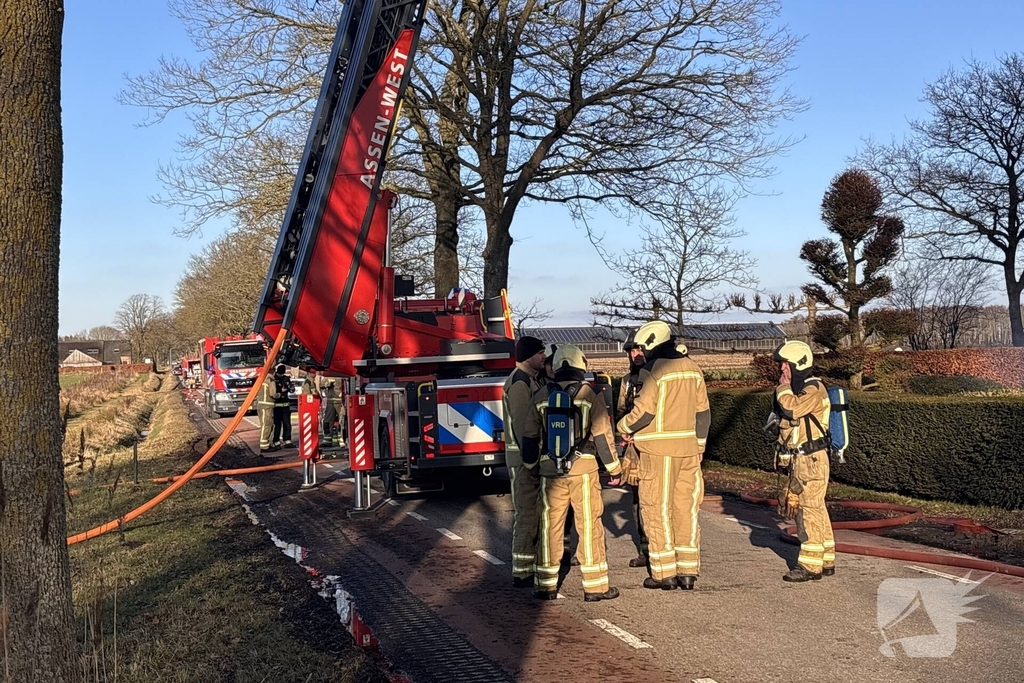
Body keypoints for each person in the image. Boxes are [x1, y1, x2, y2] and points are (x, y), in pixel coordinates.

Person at [521, 344, 624, 602]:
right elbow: (602, 435)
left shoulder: (542, 394)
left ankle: (545, 585)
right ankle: (596, 587)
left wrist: (533, 467)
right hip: (584, 471)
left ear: (555, 367)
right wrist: (614, 468)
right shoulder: (589, 394)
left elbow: (530, 436)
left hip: (550, 473)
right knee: (589, 525)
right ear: (581, 366)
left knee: (550, 526)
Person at [617, 321, 709, 591]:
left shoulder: (653, 371)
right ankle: (688, 571)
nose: (640, 354)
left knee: (656, 510)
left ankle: (663, 573)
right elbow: (703, 413)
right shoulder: (693, 369)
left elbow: (644, 413)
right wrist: (700, 445)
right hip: (690, 451)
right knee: (686, 510)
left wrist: (622, 428)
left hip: (657, 452)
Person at [773, 340, 836, 582]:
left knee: (808, 509)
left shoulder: (813, 389)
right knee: (816, 508)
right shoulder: (803, 389)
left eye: (785, 365)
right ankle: (826, 558)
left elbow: (792, 410)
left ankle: (810, 566)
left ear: (798, 364)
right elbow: (791, 429)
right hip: (804, 458)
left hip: (811, 459)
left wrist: (782, 389)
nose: (782, 371)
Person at [502, 335, 547, 587]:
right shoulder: (519, 383)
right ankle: (522, 571)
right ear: (528, 356)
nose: (543, 356)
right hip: (523, 460)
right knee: (527, 512)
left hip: (525, 458)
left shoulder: (528, 379)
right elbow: (523, 426)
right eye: (540, 353)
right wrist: (531, 460)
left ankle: (528, 566)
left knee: (533, 512)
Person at [615, 340, 648, 568]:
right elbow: (621, 410)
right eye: (633, 350)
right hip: (634, 451)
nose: (636, 354)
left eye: (640, 349)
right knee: (638, 500)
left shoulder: (656, 378)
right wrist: (625, 433)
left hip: (656, 447)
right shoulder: (627, 382)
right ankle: (645, 550)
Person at [272, 364, 293, 449]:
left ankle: (287, 440)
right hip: (276, 405)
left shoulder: (286, 378)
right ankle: (276, 441)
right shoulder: (273, 379)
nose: (281, 375)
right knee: (277, 425)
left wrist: (290, 387)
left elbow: (292, 389)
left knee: (287, 424)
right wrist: (280, 390)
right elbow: (273, 391)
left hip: (285, 405)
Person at [257, 373, 278, 453]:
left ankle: (265, 444)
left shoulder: (261, 378)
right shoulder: (271, 380)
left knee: (264, 425)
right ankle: (264, 446)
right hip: (267, 406)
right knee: (267, 425)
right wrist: (279, 394)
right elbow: (273, 394)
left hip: (261, 405)